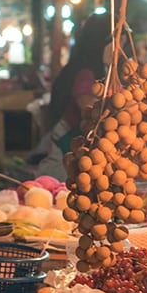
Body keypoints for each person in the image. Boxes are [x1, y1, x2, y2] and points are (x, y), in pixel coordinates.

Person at [35, 13, 114, 180]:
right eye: (119, 42)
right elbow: (89, 107)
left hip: (78, 159)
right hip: (64, 160)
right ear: (104, 43)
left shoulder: (100, 72)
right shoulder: (86, 73)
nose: (120, 48)